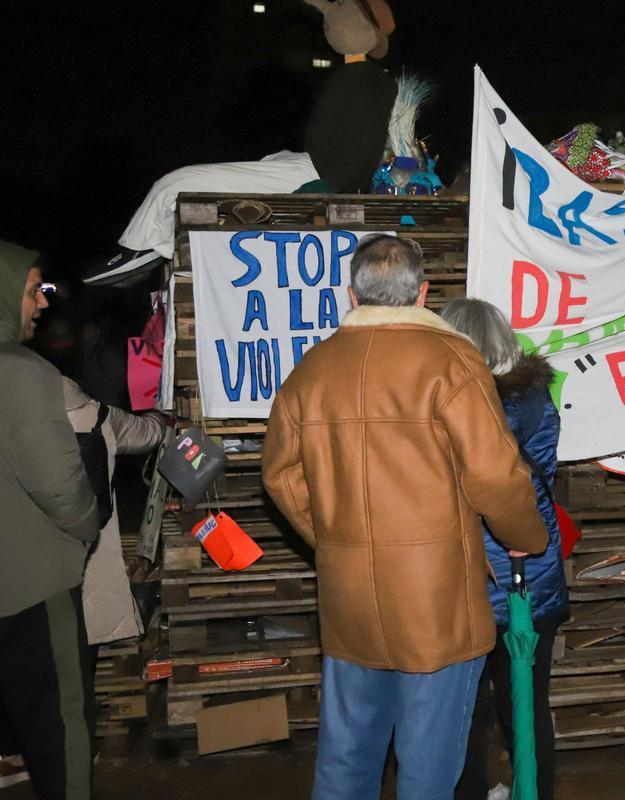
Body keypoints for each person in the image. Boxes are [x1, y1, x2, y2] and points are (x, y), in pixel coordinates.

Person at [261, 235, 548, 800]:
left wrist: (338, 541)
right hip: (437, 601)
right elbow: (494, 475)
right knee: (428, 766)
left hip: (349, 598)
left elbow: (280, 475)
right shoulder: (451, 362)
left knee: (345, 760)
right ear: (422, 294)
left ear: (352, 295)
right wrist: (526, 537)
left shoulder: (312, 370)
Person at [84, 0, 397, 286]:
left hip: (313, 172)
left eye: (337, 12)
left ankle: (137, 246)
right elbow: (355, 147)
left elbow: (360, 149)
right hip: (309, 165)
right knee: (247, 167)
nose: (328, 22)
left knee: (176, 182)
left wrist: (327, 186)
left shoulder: (362, 81)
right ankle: (152, 244)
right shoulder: (365, 79)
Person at [442, 299, 568, 800]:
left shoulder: (473, 409)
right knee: (526, 706)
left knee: (464, 711)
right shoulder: (535, 397)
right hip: (534, 575)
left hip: (478, 577)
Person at [0, 240, 100, 800]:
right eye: (33, 289)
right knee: (60, 726)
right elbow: (59, 486)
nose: (42, 302)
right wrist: (89, 527)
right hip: (30, 586)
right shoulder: (19, 371)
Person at [62, 377, 167, 645]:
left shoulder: (13, 422)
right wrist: (161, 411)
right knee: (82, 636)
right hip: (87, 548)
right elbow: (148, 433)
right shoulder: (95, 416)